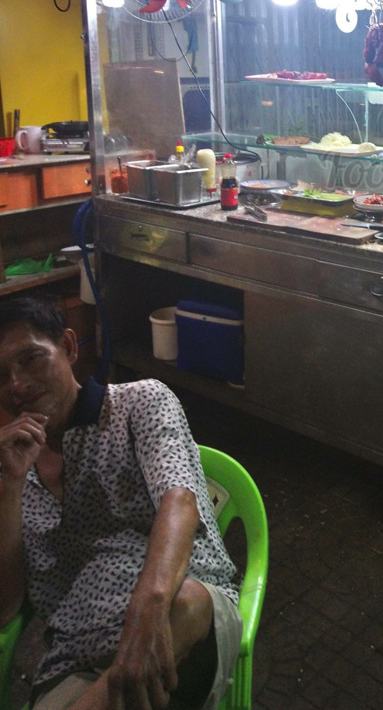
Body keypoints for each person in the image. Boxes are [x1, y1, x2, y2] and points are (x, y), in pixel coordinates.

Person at [0, 294, 242, 710]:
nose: (17, 385)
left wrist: (146, 611)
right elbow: (6, 609)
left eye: (31, 359)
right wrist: (11, 484)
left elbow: (179, 500)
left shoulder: (138, 403)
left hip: (177, 616)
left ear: (69, 347)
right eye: (1, 376)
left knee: (187, 604)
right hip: (75, 659)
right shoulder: (12, 468)